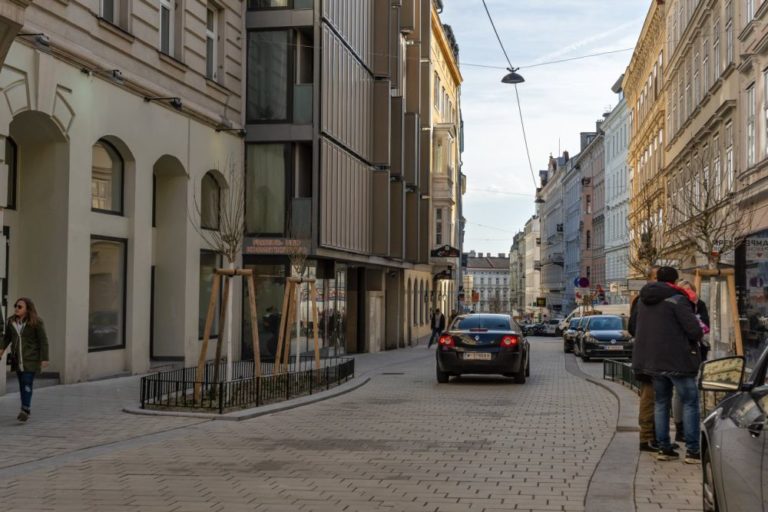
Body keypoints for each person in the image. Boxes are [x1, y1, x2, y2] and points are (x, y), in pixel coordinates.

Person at [632, 267, 703, 463]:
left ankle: (664, 448)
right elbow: (694, 330)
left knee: (661, 403)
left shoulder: (644, 300)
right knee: (690, 401)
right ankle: (692, 450)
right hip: (677, 360)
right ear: (674, 280)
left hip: (652, 360)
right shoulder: (677, 299)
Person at [672, 279, 710, 442]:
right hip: (680, 353)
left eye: (690, 290)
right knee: (681, 394)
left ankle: (689, 430)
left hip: (698, 352)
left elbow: (705, 325)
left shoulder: (699, 304)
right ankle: (681, 429)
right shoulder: (675, 305)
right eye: (684, 290)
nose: (687, 293)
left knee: (690, 393)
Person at [0, 298, 49, 422]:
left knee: (27, 382)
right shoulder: (11, 321)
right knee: (22, 384)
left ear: (27, 309)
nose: (16, 308)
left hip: (31, 358)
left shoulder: (36, 322)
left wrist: (44, 358)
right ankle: (25, 407)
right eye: (15, 306)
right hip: (17, 359)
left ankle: (25, 408)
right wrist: (1, 349)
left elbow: (43, 341)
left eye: (20, 306)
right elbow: (7, 338)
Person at [628, 266, 659, 453]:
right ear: (650, 279)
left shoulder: (639, 300)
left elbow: (632, 328)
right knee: (651, 398)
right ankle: (649, 437)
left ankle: (652, 436)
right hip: (653, 358)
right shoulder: (646, 300)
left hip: (645, 356)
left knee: (653, 398)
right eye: (656, 276)